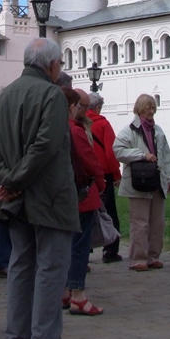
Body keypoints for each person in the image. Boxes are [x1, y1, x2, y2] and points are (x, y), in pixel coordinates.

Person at [0, 37, 80, 339]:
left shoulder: (6, 95)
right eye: (60, 64)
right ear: (52, 65)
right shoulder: (52, 95)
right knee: (51, 269)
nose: (59, 69)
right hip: (47, 197)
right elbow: (45, 147)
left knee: (21, 267)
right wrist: (14, 181)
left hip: (15, 200)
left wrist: (6, 180)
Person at [112, 93, 170, 272]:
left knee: (157, 222)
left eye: (153, 108)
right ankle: (138, 258)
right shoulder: (129, 131)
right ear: (140, 109)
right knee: (140, 222)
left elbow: (166, 155)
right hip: (138, 182)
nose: (151, 111)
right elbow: (118, 150)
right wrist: (141, 155)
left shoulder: (158, 131)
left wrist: (169, 177)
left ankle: (153, 256)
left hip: (156, 181)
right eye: (148, 108)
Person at [64, 88, 106, 316]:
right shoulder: (75, 130)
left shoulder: (59, 128)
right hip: (82, 195)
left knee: (66, 246)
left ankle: (65, 290)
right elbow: (89, 160)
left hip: (66, 196)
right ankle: (77, 295)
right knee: (79, 248)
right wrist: (101, 181)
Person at [85, 93, 122, 263]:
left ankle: (85, 248)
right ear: (98, 107)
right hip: (103, 173)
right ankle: (110, 250)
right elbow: (111, 152)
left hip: (85, 173)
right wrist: (116, 175)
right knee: (108, 211)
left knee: (85, 211)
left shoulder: (80, 123)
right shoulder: (103, 124)